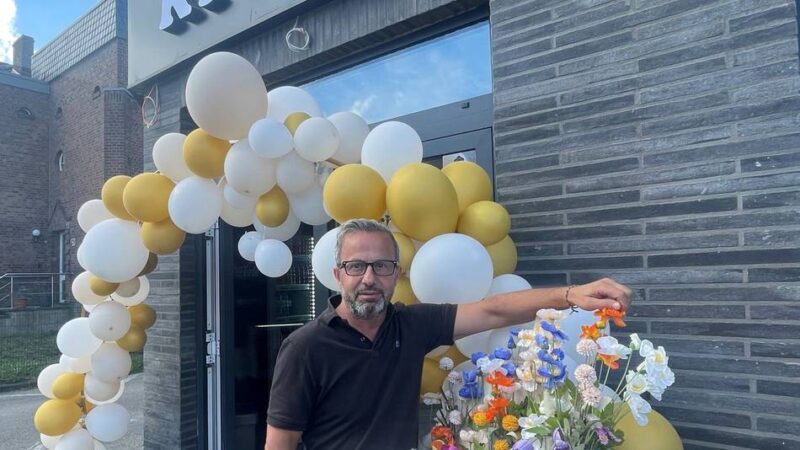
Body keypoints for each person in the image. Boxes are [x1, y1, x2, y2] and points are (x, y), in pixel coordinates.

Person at [265, 219, 633, 450]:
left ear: (397, 273)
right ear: (338, 273)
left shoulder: (411, 325)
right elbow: (280, 444)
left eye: (382, 266)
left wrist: (570, 296)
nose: (369, 278)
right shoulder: (304, 348)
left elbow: (492, 309)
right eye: (356, 265)